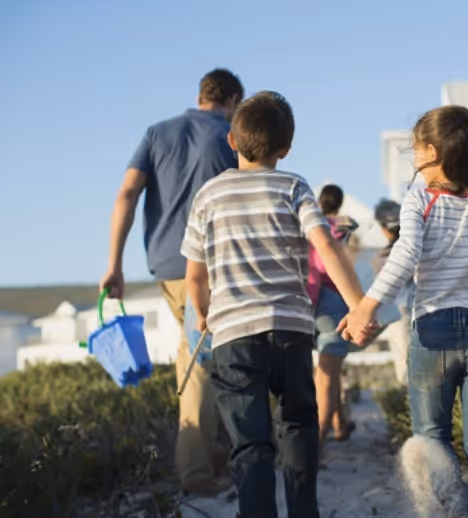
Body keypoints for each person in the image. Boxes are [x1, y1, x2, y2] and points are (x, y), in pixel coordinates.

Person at [342, 105, 468, 518]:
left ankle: (454, 507)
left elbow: (406, 254)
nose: (413, 159)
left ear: (431, 151)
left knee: (431, 440)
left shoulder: (419, 200)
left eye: (414, 150)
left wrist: (366, 306)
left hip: (433, 331)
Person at [181, 91, 367, 517]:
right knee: (298, 426)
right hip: (290, 329)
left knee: (250, 443)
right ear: (286, 148)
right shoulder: (293, 186)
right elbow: (327, 245)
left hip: (234, 335)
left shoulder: (208, 195)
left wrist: (204, 312)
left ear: (231, 141)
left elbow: (196, 273)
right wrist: (357, 305)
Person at [99, 69, 244, 496]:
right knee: (205, 359)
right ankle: (198, 475)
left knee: (206, 355)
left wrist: (114, 264)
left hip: (165, 265)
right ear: (233, 99)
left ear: (201, 96)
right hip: (215, 264)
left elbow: (127, 193)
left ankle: (213, 459)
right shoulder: (232, 135)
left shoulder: (157, 132)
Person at [307, 185, 359, 453]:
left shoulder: (306, 224)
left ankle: (339, 424)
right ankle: (317, 446)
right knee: (328, 375)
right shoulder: (343, 227)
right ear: (339, 204)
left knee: (319, 374)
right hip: (333, 301)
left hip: (305, 296)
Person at [372, 199, 412, 387]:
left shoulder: (383, 258)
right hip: (421, 309)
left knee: (405, 368)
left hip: (398, 313)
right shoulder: (414, 246)